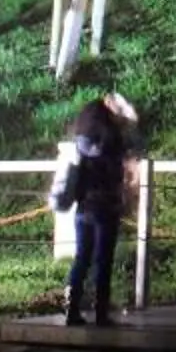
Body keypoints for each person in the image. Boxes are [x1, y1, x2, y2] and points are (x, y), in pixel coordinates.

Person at [49, 95, 131, 326]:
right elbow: (116, 173)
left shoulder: (82, 143)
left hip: (83, 207)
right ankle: (101, 312)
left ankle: (71, 308)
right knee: (103, 260)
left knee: (82, 258)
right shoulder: (111, 143)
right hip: (105, 207)